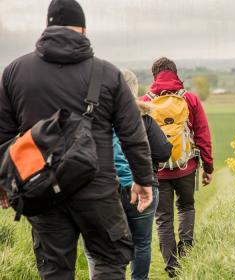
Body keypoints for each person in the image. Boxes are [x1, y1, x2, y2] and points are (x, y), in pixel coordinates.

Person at [0, 1, 154, 279]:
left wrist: (3, 183)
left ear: (47, 27)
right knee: (109, 262)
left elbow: (2, 135)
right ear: (83, 28)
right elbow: (133, 134)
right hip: (98, 190)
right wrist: (142, 180)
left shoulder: (13, 72)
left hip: (42, 191)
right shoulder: (108, 74)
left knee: (55, 271)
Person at [84, 69, 172, 280]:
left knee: (97, 244)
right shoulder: (144, 117)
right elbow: (164, 151)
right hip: (143, 188)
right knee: (141, 242)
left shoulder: (96, 116)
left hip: (105, 191)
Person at [140, 57, 214, 278]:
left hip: (158, 170)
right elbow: (202, 135)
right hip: (186, 166)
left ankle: (172, 268)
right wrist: (208, 167)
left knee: (163, 217)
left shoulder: (144, 102)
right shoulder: (190, 99)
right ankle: (187, 253)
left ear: (154, 76)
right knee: (186, 208)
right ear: (176, 73)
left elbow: (136, 140)